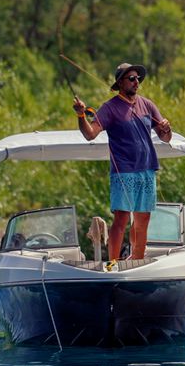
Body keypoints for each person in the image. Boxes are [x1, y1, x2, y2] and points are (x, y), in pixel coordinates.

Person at [73, 63, 172, 261]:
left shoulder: (147, 105)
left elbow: (165, 138)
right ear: (120, 82)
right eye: (131, 78)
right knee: (122, 218)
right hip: (124, 172)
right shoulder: (109, 108)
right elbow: (90, 134)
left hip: (147, 169)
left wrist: (166, 129)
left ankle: (137, 260)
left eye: (138, 79)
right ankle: (113, 264)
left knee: (143, 219)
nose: (136, 82)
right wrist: (81, 115)